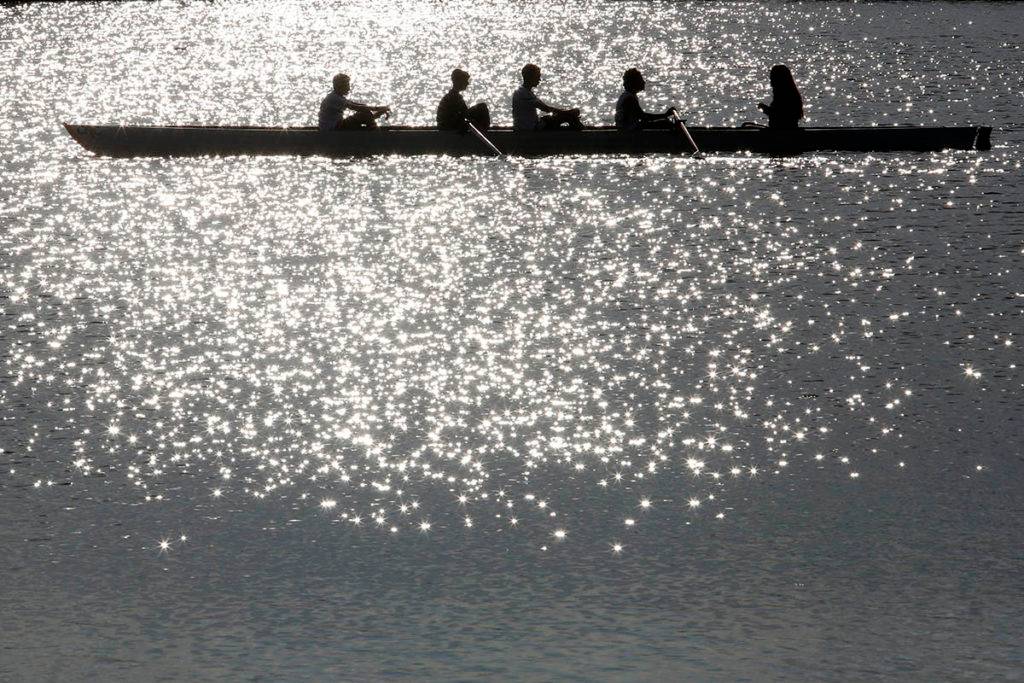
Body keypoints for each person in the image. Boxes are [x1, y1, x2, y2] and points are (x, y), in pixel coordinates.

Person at [512, 64, 583, 132]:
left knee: (562, 115)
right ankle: (580, 133)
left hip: (527, 126)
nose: (539, 79)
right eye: (537, 76)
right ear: (530, 77)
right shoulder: (524, 94)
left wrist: (565, 112)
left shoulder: (522, 91)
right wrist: (567, 112)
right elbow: (545, 108)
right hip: (530, 128)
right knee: (565, 116)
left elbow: (545, 107)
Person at [318, 73, 391, 131]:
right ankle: (376, 136)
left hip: (334, 126)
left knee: (365, 112)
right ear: (340, 86)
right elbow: (356, 107)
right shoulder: (334, 98)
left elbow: (358, 105)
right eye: (347, 85)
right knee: (364, 112)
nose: (349, 88)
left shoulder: (337, 96)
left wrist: (378, 111)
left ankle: (374, 132)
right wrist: (378, 108)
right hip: (332, 129)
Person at [757, 64, 803, 128]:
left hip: (780, 130)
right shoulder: (793, 93)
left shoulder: (783, 95)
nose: (771, 82)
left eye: (772, 78)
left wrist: (764, 108)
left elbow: (778, 114)